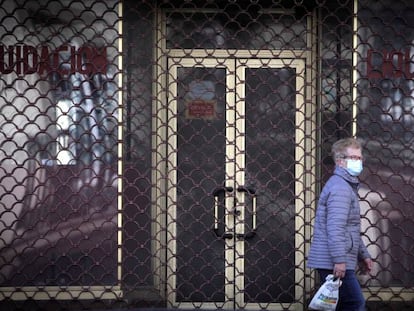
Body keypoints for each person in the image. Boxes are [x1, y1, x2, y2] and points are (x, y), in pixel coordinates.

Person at [307, 137, 373, 310]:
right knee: (355, 304)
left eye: (360, 158)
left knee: (342, 305)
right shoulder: (341, 188)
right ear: (340, 161)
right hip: (335, 261)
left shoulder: (345, 185)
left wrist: (363, 255)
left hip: (338, 260)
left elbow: (350, 229)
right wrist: (339, 261)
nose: (359, 162)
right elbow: (335, 228)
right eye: (354, 158)